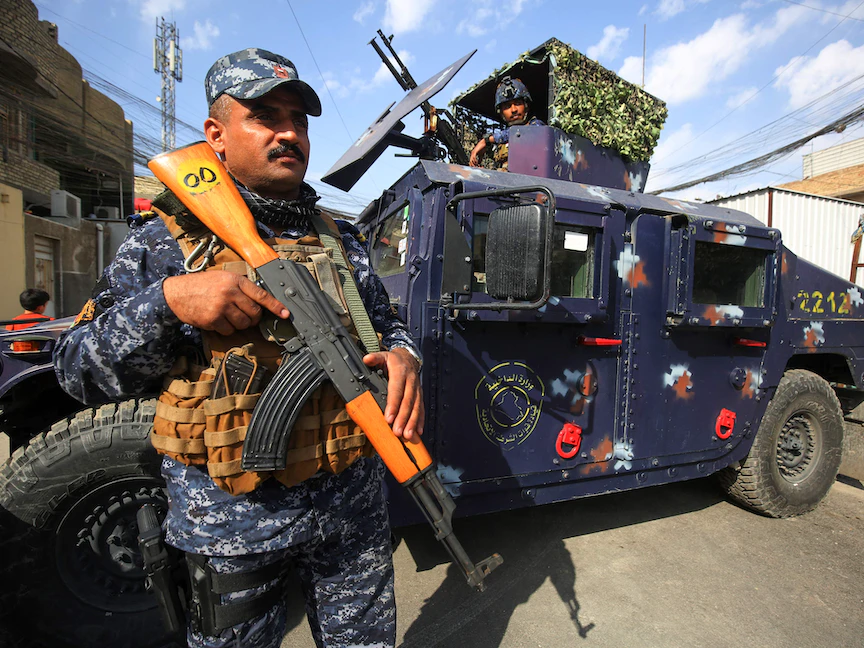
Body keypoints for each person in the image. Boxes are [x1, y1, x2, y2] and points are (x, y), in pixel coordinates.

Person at [54, 48, 424, 648]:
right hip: (230, 521)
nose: (288, 132)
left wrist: (406, 356)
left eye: (299, 119)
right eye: (265, 115)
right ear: (215, 135)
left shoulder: (342, 237)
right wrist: (169, 302)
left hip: (350, 506)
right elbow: (77, 371)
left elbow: (387, 324)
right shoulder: (167, 240)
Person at [469, 76, 545, 171]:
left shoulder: (536, 126)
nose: (513, 110)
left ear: (526, 106)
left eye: (517, 104)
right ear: (501, 112)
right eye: (508, 106)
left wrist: (487, 140)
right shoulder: (502, 141)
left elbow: (522, 133)